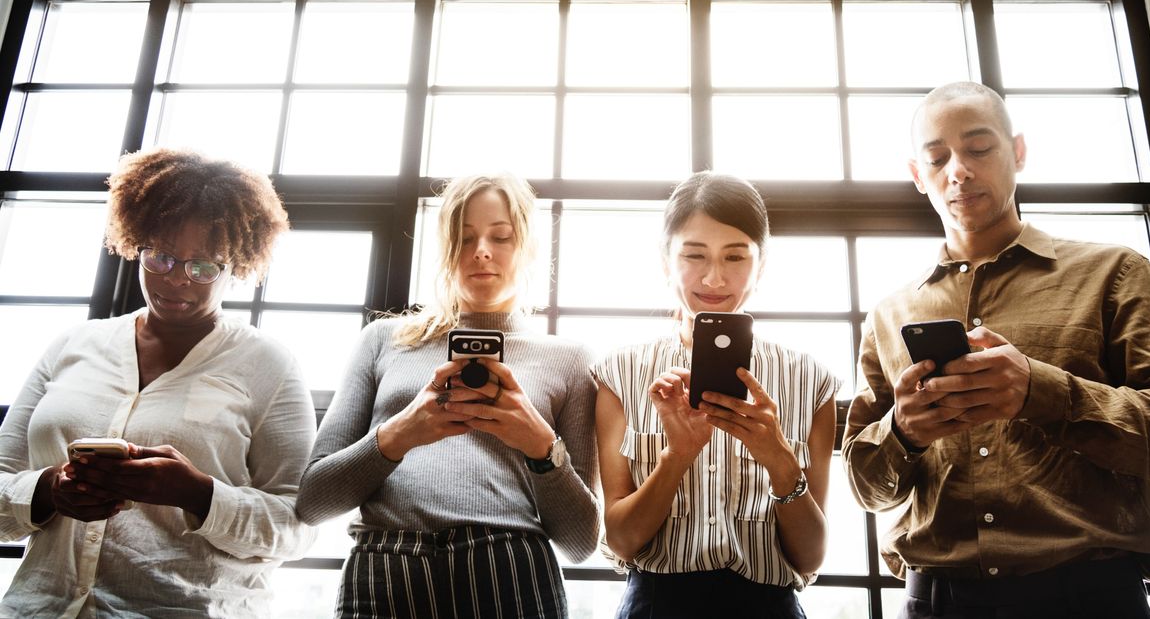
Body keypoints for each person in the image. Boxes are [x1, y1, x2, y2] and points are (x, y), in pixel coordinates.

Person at [842, 81, 1150, 619]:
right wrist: (904, 433)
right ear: (918, 176)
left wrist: (1042, 392)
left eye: (979, 149)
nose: (957, 170)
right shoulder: (890, 313)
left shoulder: (1114, 273)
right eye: (936, 158)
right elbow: (866, 487)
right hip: (933, 601)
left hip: (1091, 597)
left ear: (1019, 151)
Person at [0, 148, 317, 617]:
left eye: (204, 265)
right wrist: (49, 490)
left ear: (238, 265)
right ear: (137, 243)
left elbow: (296, 527)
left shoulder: (268, 364)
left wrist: (197, 494)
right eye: (162, 257)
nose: (176, 281)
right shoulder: (73, 345)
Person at [295, 173, 599, 619]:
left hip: (509, 567)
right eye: (464, 237)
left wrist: (540, 447)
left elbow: (580, 542)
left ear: (528, 249)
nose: (481, 251)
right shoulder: (384, 339)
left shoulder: (569, 360)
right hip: (386, 564)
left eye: (501, 237)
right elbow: (313, 501)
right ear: (444, 249)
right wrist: (399, 434)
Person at [592, 172, 839, 619]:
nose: (714, 277)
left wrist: (778, 458)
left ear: (760, 265)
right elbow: (622, 541)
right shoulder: (618, 373)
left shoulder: (812, 379)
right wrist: (677, 456)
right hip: (654, 604)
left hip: (770, 608)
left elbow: (811, 557)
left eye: (735, 257)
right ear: (666, 261)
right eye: (693, 255)